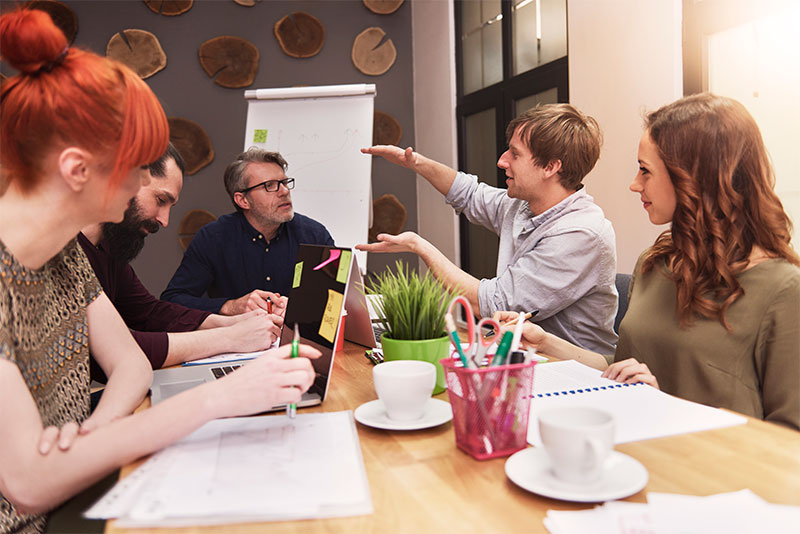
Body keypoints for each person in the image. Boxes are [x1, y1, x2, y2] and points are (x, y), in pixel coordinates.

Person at [0, 10, 318, 533]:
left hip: (70, 492)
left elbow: (131, 363)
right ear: (77, 169)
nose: (138, 188)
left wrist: (93, 436)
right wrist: (222, 397)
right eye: (135, 170)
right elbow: (29, 484)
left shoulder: (64, 254)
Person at [499, 93, 800, 430]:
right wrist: (546, 342)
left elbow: (790, 441)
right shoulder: (655, 264)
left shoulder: (783, 290)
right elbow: (622, 366)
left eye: (645, 170)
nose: (634, 184)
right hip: (633, 444)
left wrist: (662, 405)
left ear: (694, 177)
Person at [357, 104, 618, 354]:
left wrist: (419, 246)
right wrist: (415, 163)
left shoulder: (581, 233)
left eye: (515, 154)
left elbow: (493, 305)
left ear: (550, 167)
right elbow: (469, 194)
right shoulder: (523, 205)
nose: (502, 161)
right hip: (518, 355)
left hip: (571, 371)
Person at [78, 143, 284, 376]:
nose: (165, 220)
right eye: (160, 200)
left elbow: (149, 313)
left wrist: (233, 323)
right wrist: (231, 336)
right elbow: (116, 350)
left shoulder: (108, 251)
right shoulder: (65, 254)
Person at [161, 148, 335, 314]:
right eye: (269, 185)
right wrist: (230, 306)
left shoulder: (314, 235)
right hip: (236, 334)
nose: (284, 191)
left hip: (296, 334)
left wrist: (301, 308)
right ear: (243, 200)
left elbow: (337, 299)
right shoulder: (213, 238)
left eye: (284, 182)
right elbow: (173, 301)